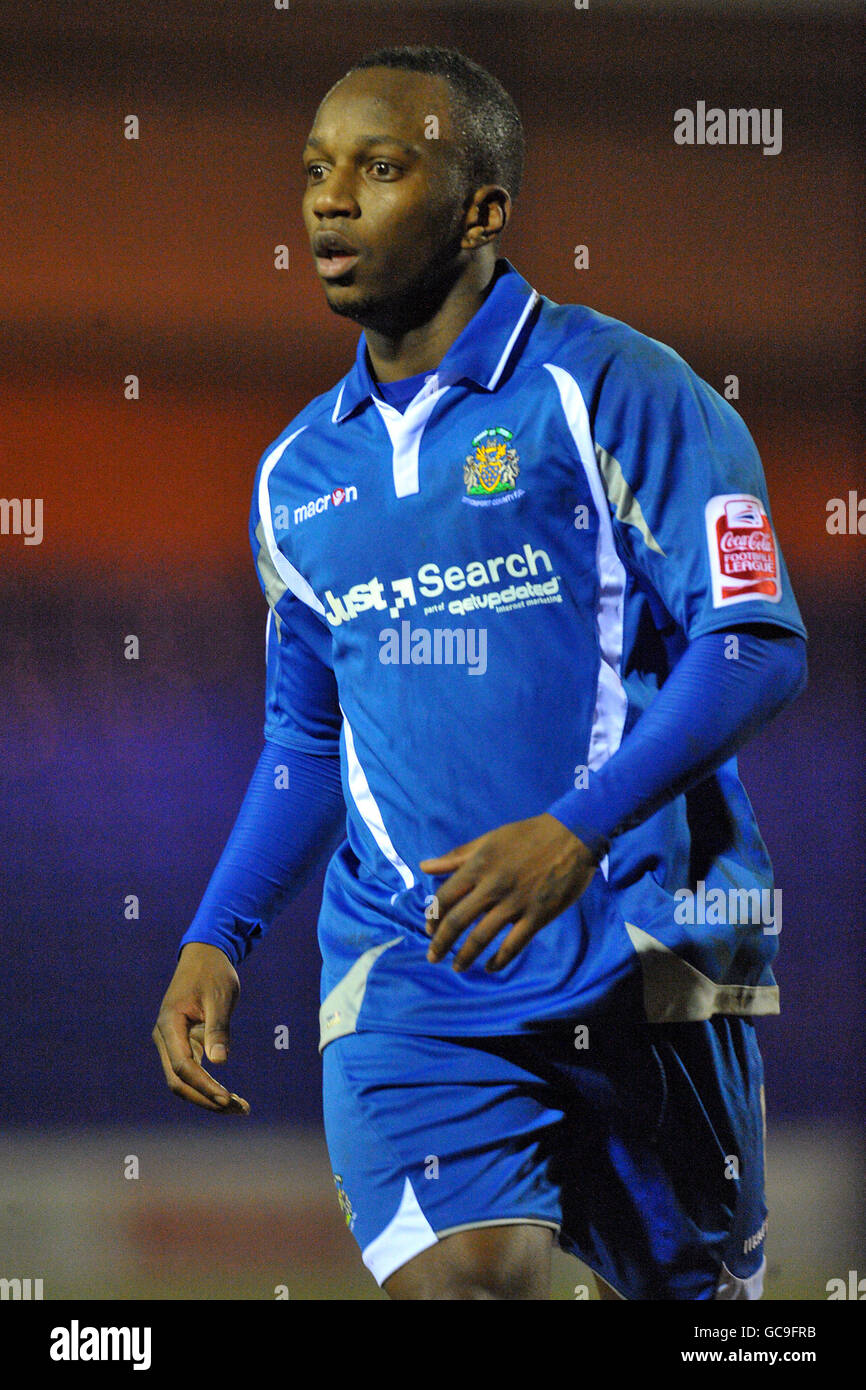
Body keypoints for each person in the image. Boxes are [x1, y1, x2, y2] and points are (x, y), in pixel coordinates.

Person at [152, 45, 807, 1301]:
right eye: (313, 171)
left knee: (707, 1310)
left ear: (480, 208)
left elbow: (753, 642)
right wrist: (216, 933)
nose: (327, 201)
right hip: (414, 964)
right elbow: (305, 740)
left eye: (379, 168)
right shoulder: (295, 477)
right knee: (467, 1280)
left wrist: (573, 831)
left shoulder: (619, 391)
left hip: (651, 948)